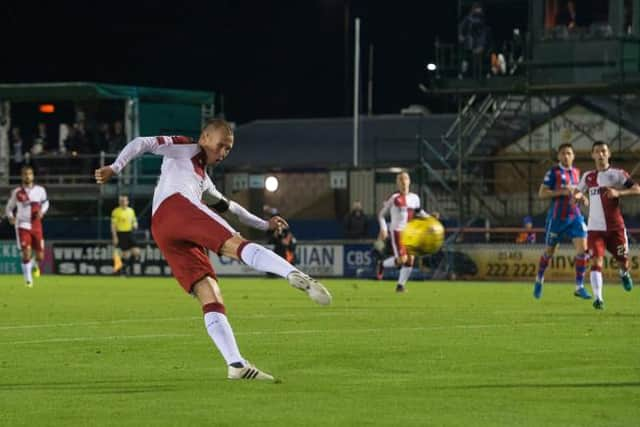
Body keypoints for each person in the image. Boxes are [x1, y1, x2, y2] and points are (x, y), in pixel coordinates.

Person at [94, 118, 331, 381]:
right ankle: (294, 275)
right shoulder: (185, 147)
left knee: (209, 291)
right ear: (205, 138)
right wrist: (116, 167)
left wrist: (264, 224)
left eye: (228, 149)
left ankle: (236, 364)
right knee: (236, 244)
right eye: (221, 146)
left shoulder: (203, 180)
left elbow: (231, 208)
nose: (223, 153)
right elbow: (143, 143)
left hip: (163, 229)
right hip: (176, 208)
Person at [574, 141, 640, 310]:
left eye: (603, 151)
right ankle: (598, 298)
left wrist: (618, 192)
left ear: (608, 154)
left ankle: (624, 273)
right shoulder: (588, 176)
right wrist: (580, 196)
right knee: (596, 261)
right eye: (597, 151)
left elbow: (637, 189)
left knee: (624, 262)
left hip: (615, 228)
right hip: (595, 229)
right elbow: (577, 191)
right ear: (592, 155)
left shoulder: (618, 174)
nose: (600, 154)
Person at [533, 143, 591, 300]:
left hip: (575, 217)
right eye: (563, 153)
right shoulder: (553, 172)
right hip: (557, 219)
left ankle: (579, 286)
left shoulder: (577, 173)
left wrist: (582, 197)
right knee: (549, 252)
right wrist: (563, 191)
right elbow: (542, 193)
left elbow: (576, 192)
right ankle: (539, 279)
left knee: (583, 250)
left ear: (573, 156)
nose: (566, 156)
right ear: (558, 156)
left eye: (569, 153)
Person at [376, 171, 431, 292]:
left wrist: (430, 218)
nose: (403, 181)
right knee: (402, 260)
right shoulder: (394, 198)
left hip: (410, 233)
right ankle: (382, 264)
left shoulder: (415, 198)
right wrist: (384, 229)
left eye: (405, 178)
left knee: (411, 260)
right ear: (397, 183)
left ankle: (400, 286)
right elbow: (381, 215)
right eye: (400, 180)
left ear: (409, 181)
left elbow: (419, 212)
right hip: (397, 232)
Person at [5, 166, 49, 287]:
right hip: (22, 225)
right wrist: (10, 217)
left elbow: (46, 203)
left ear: (33, 176)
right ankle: (28, 280)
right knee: (26, 253)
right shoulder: (17, 192)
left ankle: (34, 265)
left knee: (40, 256)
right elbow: (9, 207)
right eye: (25, 174)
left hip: (36, 225)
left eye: (29, 174)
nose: (27, 176)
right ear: (22, 176)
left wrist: (42, 211)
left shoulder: (40, 190)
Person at [458, 2, 490, 80]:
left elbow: (483, 33)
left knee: (480, 60)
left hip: (479, 44)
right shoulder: (468, 19)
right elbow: (461, 28)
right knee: (466, 59)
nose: (479, 10)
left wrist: (482, 45)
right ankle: (464, 74)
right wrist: (461, 35)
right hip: (469, 43)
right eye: (477, 8)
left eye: (479, 8)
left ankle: (482, 75)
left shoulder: (482, 21)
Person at [111, 195, 141, 276]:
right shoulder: (116, 211)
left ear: (127, 202)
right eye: (121, 201)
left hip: (130, 233)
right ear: (119, 202)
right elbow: (113, 225)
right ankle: (122, 271)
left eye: (124, 200)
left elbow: (134, 220)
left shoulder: (131, 211)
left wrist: (135, 224)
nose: (123, 202)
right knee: (126, 254)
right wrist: (115, 237)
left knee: (137, 252)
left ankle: (122, 269)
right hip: (121, 233)